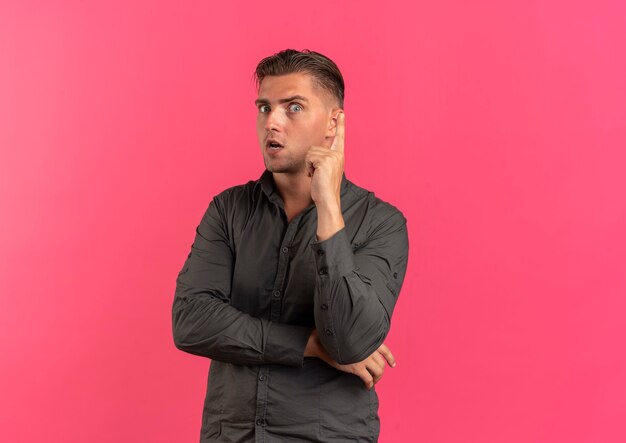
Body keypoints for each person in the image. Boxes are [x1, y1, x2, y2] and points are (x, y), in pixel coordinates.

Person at [172, 48, 409, 443]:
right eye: (264, 108)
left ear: (333, 123)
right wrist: (308, 345)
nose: (272, 123)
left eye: (293, 107)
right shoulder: (230, 209)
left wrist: (329, 209)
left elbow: (349, 341)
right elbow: (191, 321)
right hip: (232, 434)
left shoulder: (380, 222)